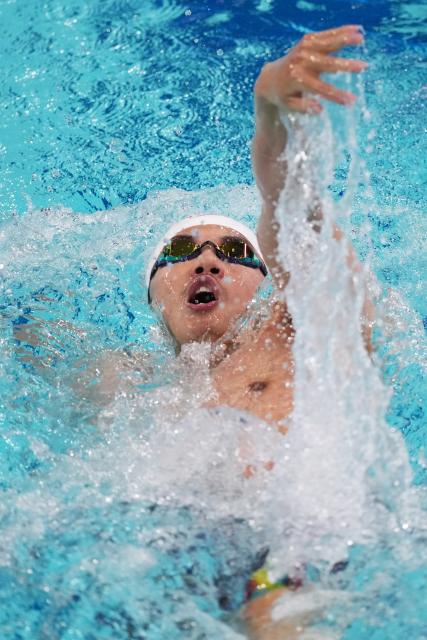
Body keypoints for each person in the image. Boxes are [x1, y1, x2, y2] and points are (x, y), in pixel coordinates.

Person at [15, 25, 371, 640]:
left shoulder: (295, 334)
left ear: (270, 282)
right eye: (182, 250)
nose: (208, 261)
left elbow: (294, 208)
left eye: (236, 253)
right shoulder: (118, 375)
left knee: (276, 621)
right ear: (153, 293)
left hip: (285, 545)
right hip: (153, 549)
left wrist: (270, 111)